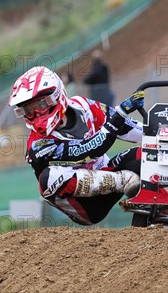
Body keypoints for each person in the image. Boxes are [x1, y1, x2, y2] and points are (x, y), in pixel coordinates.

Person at [9, 66, 145, 225]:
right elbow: (89, 149)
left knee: (146, 154)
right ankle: (126, 180)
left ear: (56, 95)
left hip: (108, 175)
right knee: (49, 178)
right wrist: (120, 113)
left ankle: (166, 204)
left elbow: (124, 126)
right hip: (86, 206)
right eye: (29, 110)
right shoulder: (38, 145)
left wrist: (159, 133)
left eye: (40, 105)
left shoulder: (83, 105)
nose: (36, 114)